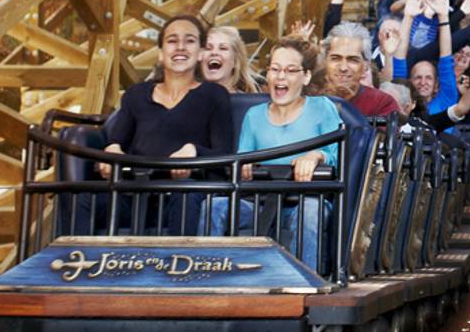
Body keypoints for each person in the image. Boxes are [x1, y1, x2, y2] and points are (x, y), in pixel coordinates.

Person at [91, 14, 233, 235]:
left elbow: (224, 153)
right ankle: (72, 254)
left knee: (185, 192)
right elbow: (117, 142)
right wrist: (112, 149)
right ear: (160, 53)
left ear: (200, 53)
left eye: (189, 41)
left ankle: (177, 256)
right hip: (136, 194)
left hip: (182, 196)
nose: (180, 47)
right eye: (172, 41)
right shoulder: (136, 95)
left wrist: (194, 152)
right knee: (84, 197)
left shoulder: (214, 95)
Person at [212, 36, 344, 270]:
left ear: (306, 76)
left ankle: (305, 281)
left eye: (290, 70)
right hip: (260, 202)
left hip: (303, 201)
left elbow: (336, 154)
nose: (281, 76)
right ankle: (211, 275)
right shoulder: (253, 115)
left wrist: (315, 156)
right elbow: (243, 159)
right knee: (215, 206)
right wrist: (244, 167)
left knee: (310, 211)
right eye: (275, 69)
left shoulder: (322, 107)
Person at [393, 0, 460, 115]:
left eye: (429, 78)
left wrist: (443, 17)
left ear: (436, 84)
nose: (423, 83)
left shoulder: (446, 100)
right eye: (418, 77)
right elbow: (399, 58)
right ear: (409, 82)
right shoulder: (402, 101)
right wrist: (408, 17)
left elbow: (446, 57)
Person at [323, 20, 401, 117]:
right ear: (324, 61)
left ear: (366, 65)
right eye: (335, 58)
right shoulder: (311, 99)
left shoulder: (382, 103)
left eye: (352, 60)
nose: (343, 68)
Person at [201, 26, 262, 93]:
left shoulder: (252, 99)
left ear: (235, 61)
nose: (214, 52)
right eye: (208, 48)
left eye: (223, 48)